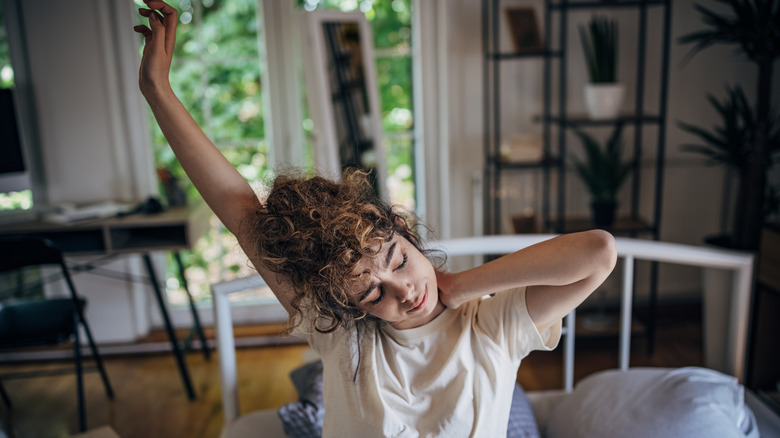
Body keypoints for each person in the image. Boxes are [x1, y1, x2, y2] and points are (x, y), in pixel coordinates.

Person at [133, 1, 617, 436]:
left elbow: (598, 252)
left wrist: (463, 284)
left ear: (405, 233)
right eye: (371, 293)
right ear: (350, 308)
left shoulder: (491, 325)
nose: (403, 291)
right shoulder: (346, 339)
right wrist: (157, 89)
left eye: (399, 259)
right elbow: (239, 209)